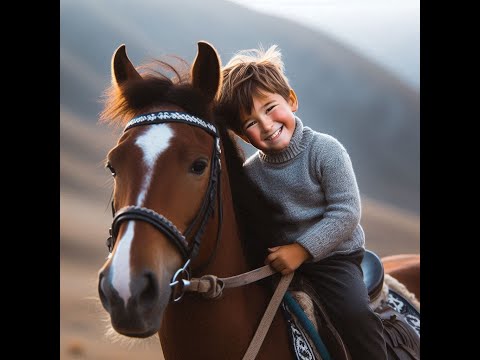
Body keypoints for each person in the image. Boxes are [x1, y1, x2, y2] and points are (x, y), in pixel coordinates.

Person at [217, 45, 387, 359]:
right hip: (280, 264)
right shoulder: (250, 175)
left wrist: (301, 250)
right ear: (242, 136)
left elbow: (346, 212)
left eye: (270, 108)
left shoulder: (325, 151)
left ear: (291, 100)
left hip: (334, 261)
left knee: (354, 316)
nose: (266, 125)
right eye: (250, 123)